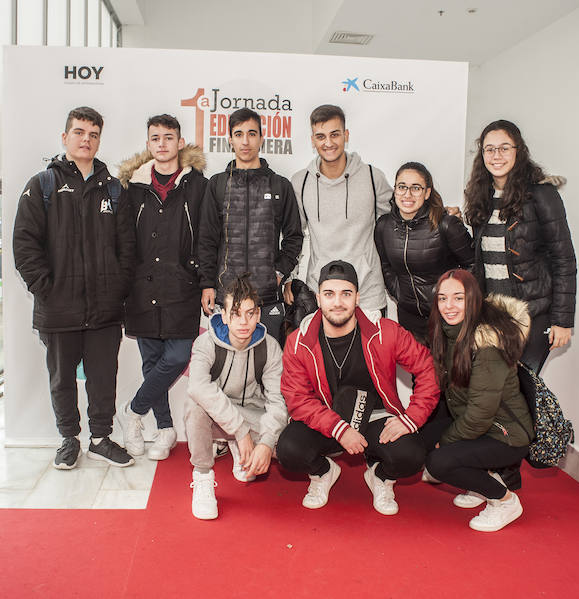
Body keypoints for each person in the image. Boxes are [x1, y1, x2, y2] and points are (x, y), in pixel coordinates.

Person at [13, 106, 135, 469]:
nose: (86, 139)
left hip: (104, 309)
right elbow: (24, 243)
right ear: (64, 138)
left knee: (102, 379)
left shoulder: (113, 189)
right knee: (61, 381)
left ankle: (100, 438)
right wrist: (45, 288)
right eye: (79, 132)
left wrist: (118, 289)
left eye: (93, 134)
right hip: (58, 308)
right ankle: (69, 439)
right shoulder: (43, 185)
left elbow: (127, 248)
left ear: (99, 140)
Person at [277, 260, 440, 515]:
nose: (338, 302)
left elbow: (426, 368)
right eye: (329, 294)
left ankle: (381, 477)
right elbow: (297, 398)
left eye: (346, 294)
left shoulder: (384, 331)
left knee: (411, 456)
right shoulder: (299, 341)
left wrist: (411, 419)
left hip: (376, 418)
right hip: (327, 419)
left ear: (357, 298)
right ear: (319, 298)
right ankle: (324, 473)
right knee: (288, 450)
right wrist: (339, 428)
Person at [117, 114, 208, 460]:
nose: (162, 144)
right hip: (141, 290)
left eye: (168, 137)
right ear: (148, 144)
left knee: (177, 357)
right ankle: (166, 429)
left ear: (180, 142)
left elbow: (207, 237)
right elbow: (124, 240)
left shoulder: (198, 185)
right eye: (155, 138)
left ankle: (133, 410)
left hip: (182, 289)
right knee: (152, 362)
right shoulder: (132, 187)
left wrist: (202, 280)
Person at [419, 269, 533, 532]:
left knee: (438, 462)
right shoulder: (449, 333)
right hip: (478, 424)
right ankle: (481, 481)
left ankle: (504, 501)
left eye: (458, 298)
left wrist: (445, 442)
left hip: (507, 434)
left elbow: (481, 414)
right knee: (419, 439)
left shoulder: (487, 345)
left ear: (473, 300)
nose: (449, 306)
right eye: (443, 298)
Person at [464, 119, 576, 374]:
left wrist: (562, 320)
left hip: (534, 313)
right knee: (500, 392)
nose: (496, 155)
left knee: (523, 388)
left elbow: (564, 260)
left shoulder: (541, 194)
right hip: (494, 314)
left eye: (504, 148)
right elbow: (481, 260)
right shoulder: (480, 196)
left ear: (518, 150)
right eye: (489, 149)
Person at [185, 274, 288, 520]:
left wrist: (265, 442)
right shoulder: (205, 343)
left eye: (250, 314)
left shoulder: (270, 346)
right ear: (223, 315)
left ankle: (239, 449)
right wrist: (240, 432)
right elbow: (198, 387)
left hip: (251, 415)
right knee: (195, 404)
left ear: (259, 315)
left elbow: (279, 401)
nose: (244, 322)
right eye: (236, 313)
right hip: (218, 419)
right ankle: (202, 477)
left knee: (288, 445)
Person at [198, 107, 303, 344]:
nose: (245, 141)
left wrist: (277, 273)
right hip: (227, 299)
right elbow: (206, 239)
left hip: (267, 299)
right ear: (230, 139)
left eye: (252, 133)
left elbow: (294, 236)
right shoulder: (217, 184)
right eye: (238, 134)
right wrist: (206, 283)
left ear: (262, 138)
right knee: (226, 372)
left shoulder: (279, 185)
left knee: (269, 372)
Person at [286, 104, 393, 313]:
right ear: (312, 140)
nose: (328, 143)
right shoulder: (301, 182)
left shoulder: (372, 177)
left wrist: (437, 210)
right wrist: (289, 277)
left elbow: (401, 218)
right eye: (320, 136)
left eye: (335, 134)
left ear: (346, 135)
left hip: (368, 294)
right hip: (322, 293)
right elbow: (292, 235)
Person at [374, 161, 474, 343]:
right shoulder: (383, 226)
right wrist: (400, 294)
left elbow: (472, 264)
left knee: (451, 371)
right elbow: (385, 265)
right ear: (395, 189)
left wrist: (454, 300)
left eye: (416, 188)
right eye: (402, 187)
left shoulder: (446, 224)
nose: (408, 194)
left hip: (447, 318)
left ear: (427, 192)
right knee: (419, 371)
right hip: (410, 319)